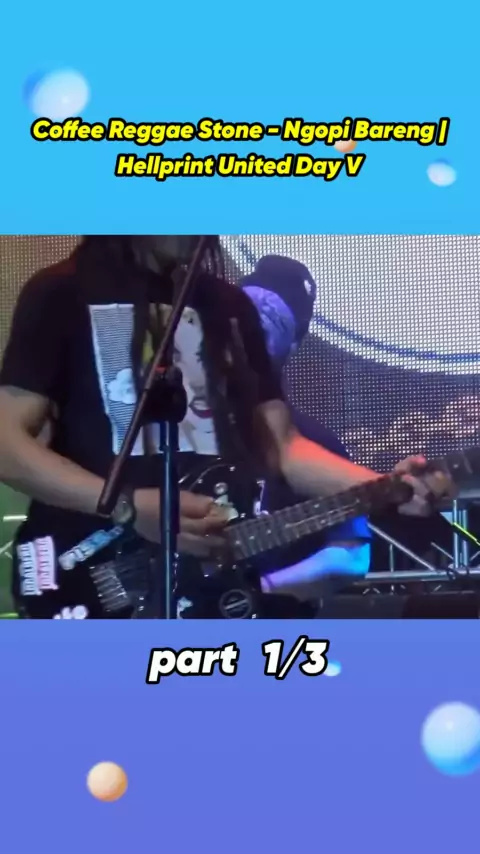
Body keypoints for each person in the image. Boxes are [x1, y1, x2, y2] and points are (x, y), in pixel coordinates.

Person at [0, 235, 451, 619]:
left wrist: (389, 486)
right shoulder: (62, 293)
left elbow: (282, 448)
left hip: (203, 584)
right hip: (84, 567)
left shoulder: (229, 307)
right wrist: (128, 507)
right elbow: (7, 443)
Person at [241, 255, 371, 601]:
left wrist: (262, 589)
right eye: (245, 314)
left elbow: (352, 555)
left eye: (270, 320)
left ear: (293, 344)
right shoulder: (179, 427)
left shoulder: (316, 444)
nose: (253, 330)